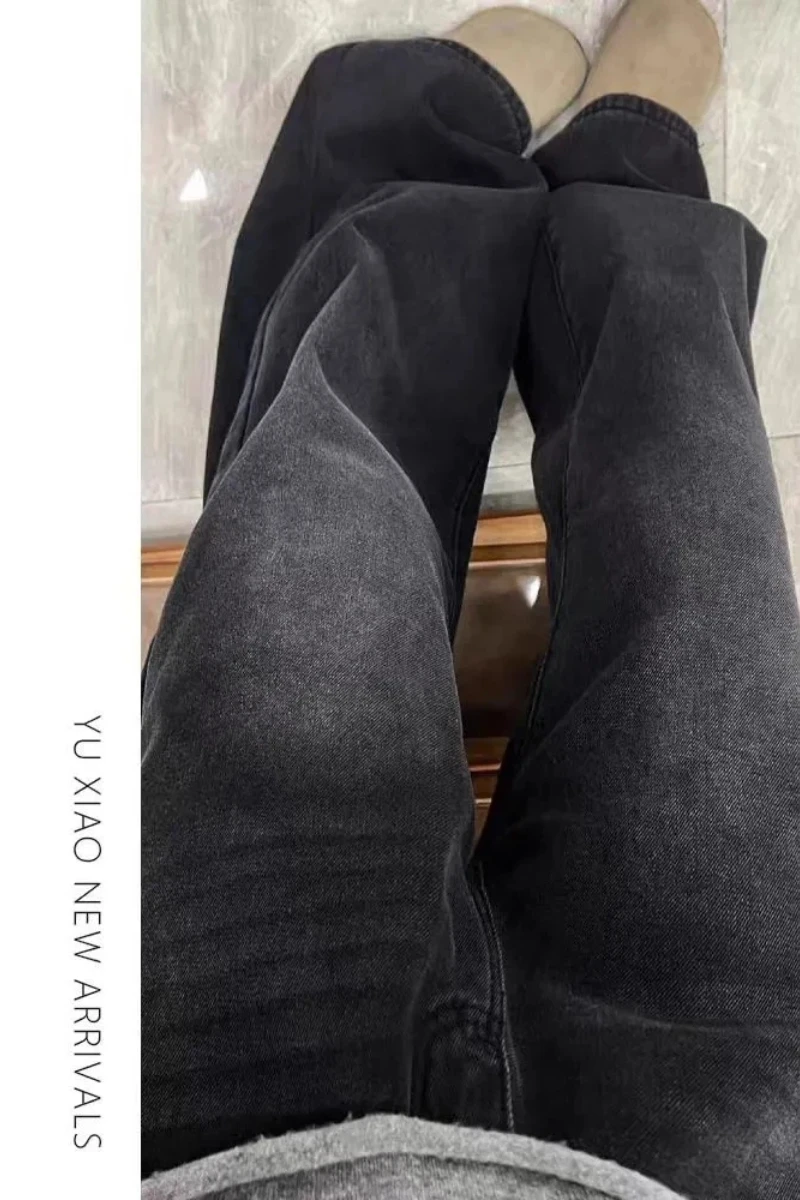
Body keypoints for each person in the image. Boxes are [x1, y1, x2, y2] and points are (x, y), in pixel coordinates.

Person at [141, 2, 800, 1197]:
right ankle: (628, 194)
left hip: (204, 1151)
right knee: (703, 574)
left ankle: (416, 166)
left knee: (308, 529)